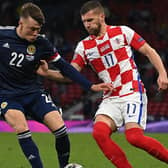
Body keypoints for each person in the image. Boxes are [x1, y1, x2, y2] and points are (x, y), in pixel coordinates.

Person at [38, 1, 168, 167]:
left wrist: (162, 73)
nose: (87, 25)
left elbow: (149, 51)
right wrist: (46, 72)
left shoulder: (122, 32)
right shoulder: (84, 47)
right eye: (84, 21)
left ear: (101, 16)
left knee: (134, 138)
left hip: (131, 92)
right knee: (99, 133)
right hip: (110, 97)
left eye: (90, 20)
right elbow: (70, 75)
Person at [0, 2, 113, 168]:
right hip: (8, 96)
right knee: (21, 128)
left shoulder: (42, 43)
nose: (36, 33)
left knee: (61, 130)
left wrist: (91, 86)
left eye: (38, 29)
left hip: (34, 93)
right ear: (21, 23)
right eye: (32, 29)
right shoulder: (3, 35)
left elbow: (65, 68)